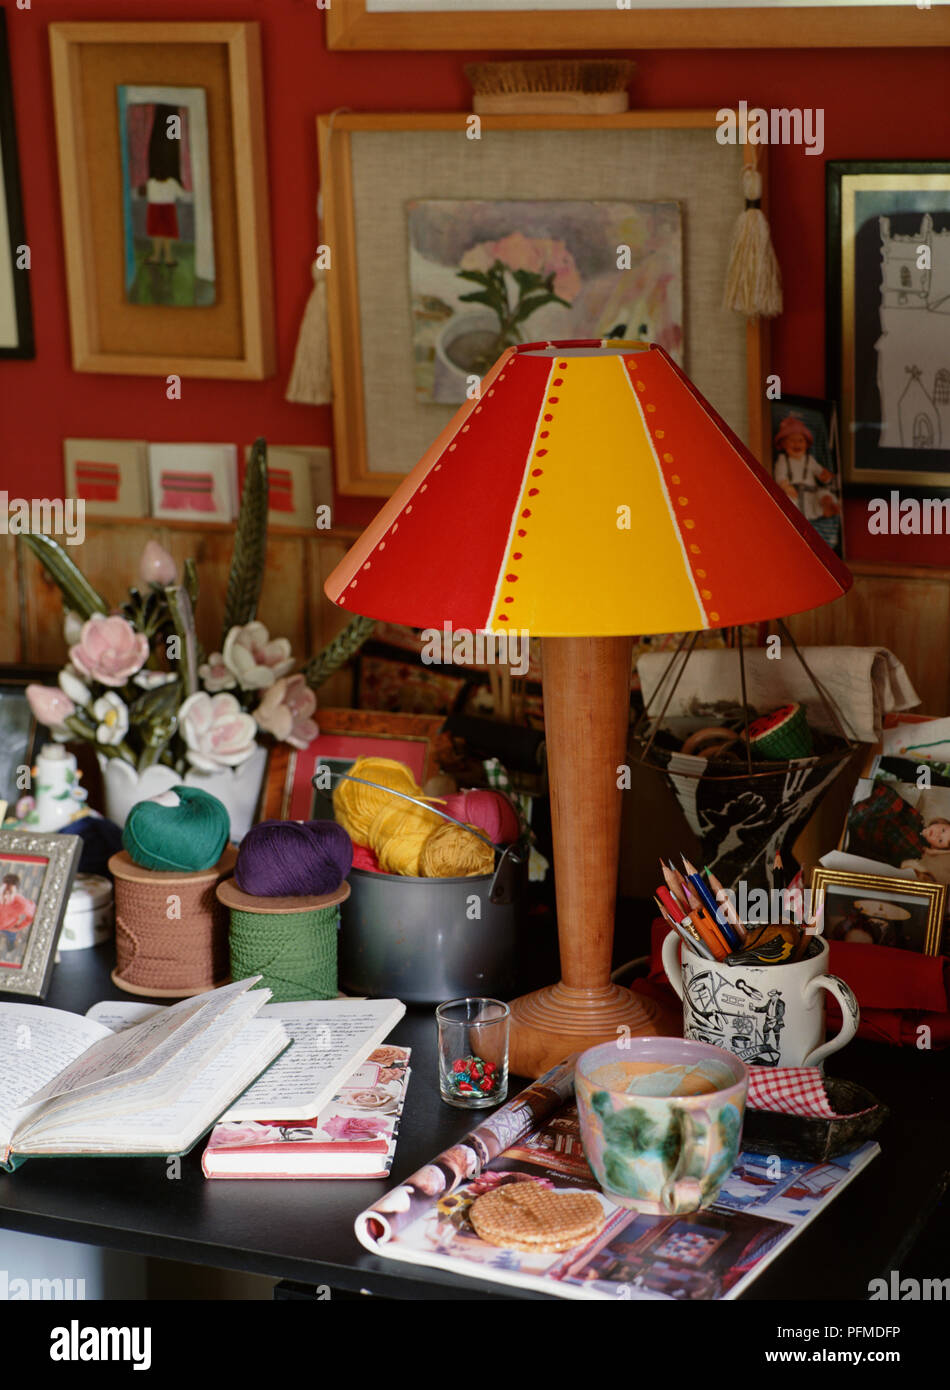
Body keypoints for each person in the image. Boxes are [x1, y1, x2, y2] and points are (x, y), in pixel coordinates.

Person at [773, 415, 832, 522]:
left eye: (800, 441)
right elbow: (780, 475)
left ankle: (826, 506)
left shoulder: (810, 460)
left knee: (824, 494)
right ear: (783, 444)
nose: (797, 444)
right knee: (789, 501)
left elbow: (820, 473)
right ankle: (791, 519)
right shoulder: (783, 460)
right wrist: (786, 486)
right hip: (794, 492)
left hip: (811, 492)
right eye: (792, 441)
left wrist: (825, 476)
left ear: (806, 444)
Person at [0, 872, 36, 954]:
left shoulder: (22, 904)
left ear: (15, 893)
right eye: (3, 892)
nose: (5, 897)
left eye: (10, 893)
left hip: (9, 927)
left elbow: (31, 916)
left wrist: (18, 927)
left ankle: (11, 944)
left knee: (11, 936)